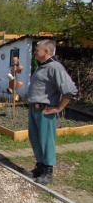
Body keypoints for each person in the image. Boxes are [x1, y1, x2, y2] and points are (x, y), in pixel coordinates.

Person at [25, 40, 77, 185]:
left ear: (46, 51)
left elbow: (70, 90)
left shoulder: (55, 67)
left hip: (45, 110)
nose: (35, 52)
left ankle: (48, 171)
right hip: (34, 109)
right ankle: (40, 166)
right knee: (35, 139)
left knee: (47, 141)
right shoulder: (41, 67)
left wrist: (59, 108)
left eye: (37, 50)